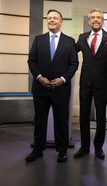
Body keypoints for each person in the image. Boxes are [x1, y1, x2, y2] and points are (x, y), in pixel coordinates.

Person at [26, 9, 79, 163]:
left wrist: (63, 79)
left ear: (61, 22)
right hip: (40, 88)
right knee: (39, 120)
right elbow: (31, 61)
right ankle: (37, 149)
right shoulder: (38, 39)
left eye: (55, 18)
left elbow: (74, 64)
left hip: (61, 89)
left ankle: (62, 151)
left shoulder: (69, 42)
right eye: (49, 18)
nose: (52, 20)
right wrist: (39, 77)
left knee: (61, 121)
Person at [74, 9, 107, 160]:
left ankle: (98, 148)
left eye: (99, 17)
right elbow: (70, 52)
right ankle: (84, 147)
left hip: (101, 82)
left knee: (100, 117)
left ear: (103, 21)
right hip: (85, 82)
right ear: (89, 21)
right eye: (93, 17)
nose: (96, 20)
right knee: (83, 116)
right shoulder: (82, 37)